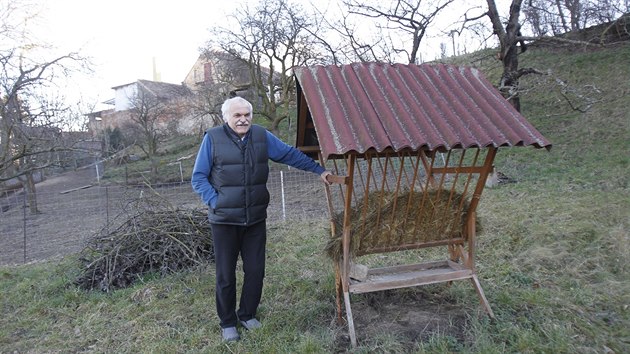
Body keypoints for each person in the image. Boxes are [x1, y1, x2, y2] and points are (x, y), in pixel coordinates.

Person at [191, 96, 332, 342]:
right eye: (237, 115)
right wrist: (217, 202)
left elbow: (289, 155)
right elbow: (198, 177)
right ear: (226, 117)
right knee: (225, 275)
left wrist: (318, 169)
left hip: (255, 219)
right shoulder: (212, 138)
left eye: (247, 114)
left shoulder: (261, 136)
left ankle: (247, 314)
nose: (243, 119)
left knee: (256, 270)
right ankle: (227, 322)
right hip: (224, 222)